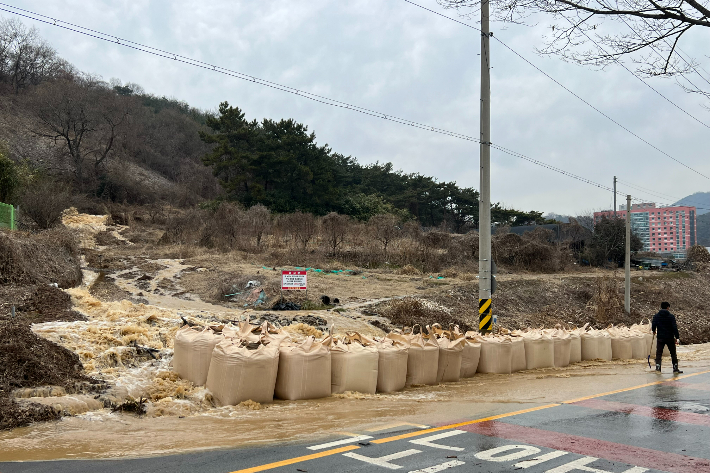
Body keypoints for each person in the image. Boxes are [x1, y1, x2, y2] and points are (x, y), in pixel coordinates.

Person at [652, 301, 682, 374]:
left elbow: (653, 325)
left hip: (660, 338)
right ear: (668, 307)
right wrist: (677, 337)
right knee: (673, 353)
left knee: (659, 353)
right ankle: (675, 369)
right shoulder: (671, 316)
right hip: (670, 338)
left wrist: (653, 331)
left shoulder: (656, 316)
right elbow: (674, 327)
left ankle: (658, 368)